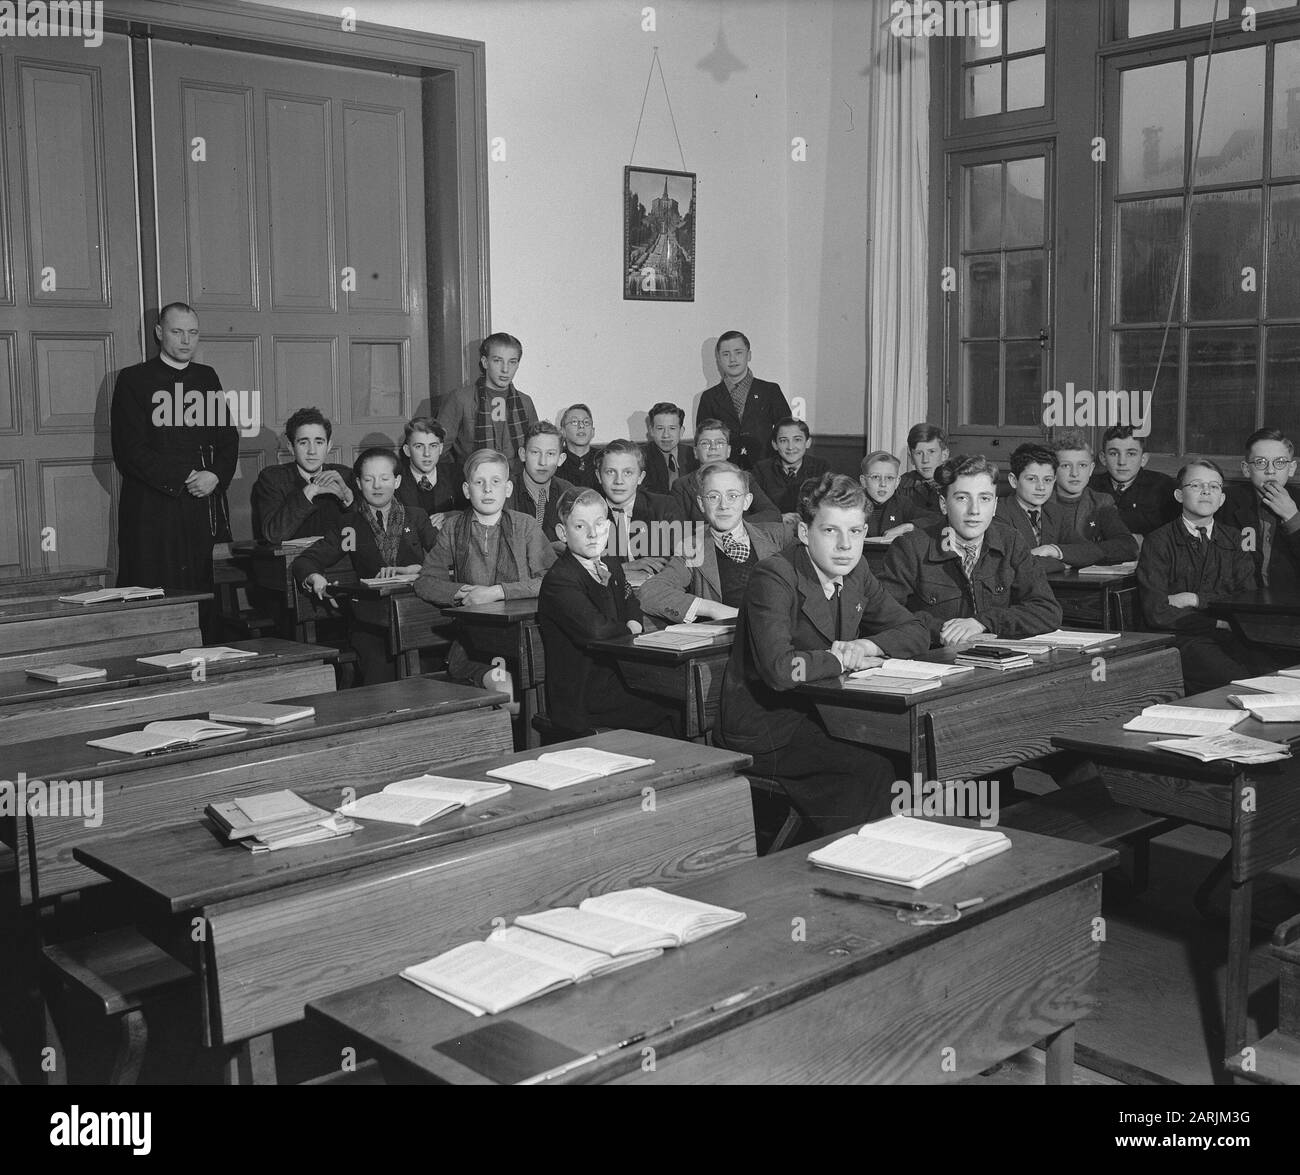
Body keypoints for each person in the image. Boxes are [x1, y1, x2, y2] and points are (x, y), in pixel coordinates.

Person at [715, 473, 929, 836]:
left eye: (857, 531)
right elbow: (782, 670)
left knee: (912, 754)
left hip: (828, 712)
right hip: (770, 726)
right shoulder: (774, 576)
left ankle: (900, 853)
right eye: (830, 531)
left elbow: (916, 630)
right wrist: (842, 658)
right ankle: (857, 860)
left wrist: (865, 646)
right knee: (872, 766)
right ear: (803, 532)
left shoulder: (856, 569)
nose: (846, 545)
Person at [110, 302, 237, 617]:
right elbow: (129, 451)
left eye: (192, 333)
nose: (186, 340)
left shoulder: (206, 377)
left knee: (203, 598)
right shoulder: (133, 379)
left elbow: (228, 438)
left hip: (200, 506)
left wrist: (215, 476)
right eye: (177, 332)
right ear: (158, 332)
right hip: (152, 510)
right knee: (153, 595)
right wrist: (186, 476)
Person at [537, 487, 682, 738]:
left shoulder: (611, 563)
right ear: (562, 533)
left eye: (600, 524)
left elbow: (630, 602)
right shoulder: (560, 580)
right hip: (583, 693)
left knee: (683, 694)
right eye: (580, 527)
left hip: (618, 677)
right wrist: (629, 628)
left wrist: (633, 622)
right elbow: (596, 629)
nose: (593, 534)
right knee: (675, 704)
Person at [878, 454, 1062, 646]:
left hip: (998, 662)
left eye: (984, 498)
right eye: (962, 498)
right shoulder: (911, 547)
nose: (974, 510)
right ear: (943, 504)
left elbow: (1048, 611)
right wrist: (944, 631)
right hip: (935, 661)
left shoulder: (1011, 541)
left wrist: (982, 622)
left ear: (995, 505)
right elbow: (884, 615)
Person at [414, 449, 556, 691]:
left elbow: (552, 582)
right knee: (505, 688)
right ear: (467, 490)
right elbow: (425, 581)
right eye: (479, 483)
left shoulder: (526, 526)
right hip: (475, 644)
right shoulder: (453, 528)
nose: (488, 490)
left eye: (495, 482)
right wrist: (463, 592)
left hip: (526, 637)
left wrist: (497, 592)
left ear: (508, 489)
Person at [294, 449, 437, 684]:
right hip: (372, 622)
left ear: (397, 481)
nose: (377, 486)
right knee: (383, 678)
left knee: (429, 677)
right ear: (359, 484)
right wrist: (314, 577)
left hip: (418, 616)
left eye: (384, 478)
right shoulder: (351, 525)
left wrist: (418, 569)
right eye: (369, 480)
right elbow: (306, 560)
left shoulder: (416, 518)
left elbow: (446, 558)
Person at [1137, 459, 1270, 694]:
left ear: (1222, 499)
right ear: (1179, 495)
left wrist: (1195, 599)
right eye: (1196, 485)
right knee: (1241, 683)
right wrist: (1218, 621)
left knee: (1272, 674)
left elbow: (1247, 598)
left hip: (1233, 635)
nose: (1206, 491)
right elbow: (1157, 612)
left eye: (1215, 487)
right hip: (1182, 637)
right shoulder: (1158, 541)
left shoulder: (1236, 540)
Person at [640, 461, 789, 624]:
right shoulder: (692, 547)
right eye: (713, 497)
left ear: (746, 501)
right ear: (701, 504)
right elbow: (651, 592)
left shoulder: (779, 537)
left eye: (732, 496)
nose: (723, 505)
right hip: (730, 639)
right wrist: (713, 609)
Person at [251, 406, 355, 544]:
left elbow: (366, 533)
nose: (312, 451)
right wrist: (308, 492)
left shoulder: (344, 475)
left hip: (340, 562)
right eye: (303, 443)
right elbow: (274, 535)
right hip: (293, 562)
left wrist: (350, 503)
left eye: (319, 442)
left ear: (329, 446)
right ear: (291, 447)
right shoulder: (272, 479)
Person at [1219, 428, 1300, 595]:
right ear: (1246, 469)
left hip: (1291, 603)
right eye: (1261, 462)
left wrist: (1293, 517)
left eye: (1280, 462)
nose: (1270, 470)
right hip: (1240, 600)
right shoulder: (1225, 502)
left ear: (1291, 468)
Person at [436, 332, 538, 463]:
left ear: (518, 365)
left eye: (512, 362)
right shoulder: (460, 399)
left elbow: (535, 447)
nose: (505, 369)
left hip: (515, 479)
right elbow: (438, 448)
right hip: (472, 477)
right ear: (485, 362)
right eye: (497, 361)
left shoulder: (525, 402)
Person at [696, 331, 792, 468]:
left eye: (738, 352)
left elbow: (786, 432)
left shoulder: (770, 391)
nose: (732, 359)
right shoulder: (709, 397)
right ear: (718, 359)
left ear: (749, 355)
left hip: (767, 469)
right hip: (723, 470)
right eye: (726, 354)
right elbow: (703, 439)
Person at [597, 438, 684, 577]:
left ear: (640, 477)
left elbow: (683, 561)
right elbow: (580, 567)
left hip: (656, 588)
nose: (619, 481)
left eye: (628, 473)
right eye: (610, 472)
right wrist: (625, 567)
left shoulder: (664, 507)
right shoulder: (588, 512)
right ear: (599, 476)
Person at [1049, 431, 1138, 566]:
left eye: (1082, 465)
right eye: (1066, 465)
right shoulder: (1041, 502)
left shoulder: (1100, 503)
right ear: (1052, 470)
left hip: (1086, 581)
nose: (1075, 473)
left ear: (1091, 469)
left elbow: (1128, 546)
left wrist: (1068, 553)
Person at [670, 421, 782, 524]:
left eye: (719, 443)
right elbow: (679, 529)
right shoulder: (681, 486)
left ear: (728, 451)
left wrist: (733, 527)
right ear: (695, 452)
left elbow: (772, 514)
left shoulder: (745, 478)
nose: (713, 448)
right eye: (705, 443)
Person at [1089, 424, 1178, 539]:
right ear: (1103, 458)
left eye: (1131, 454)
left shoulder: (1165, 487)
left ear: (1143, 459)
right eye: (1114, 454)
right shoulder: (1089, 487)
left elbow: (1175, 535)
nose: (1122, 462)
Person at [994, 443, 1069, 571]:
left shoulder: (1055, 512)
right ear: (1013, 480)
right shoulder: (999, 512)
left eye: (1047, 480)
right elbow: (1011, 564)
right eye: (1032, 479)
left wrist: (1050, 550)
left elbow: (1088, 551)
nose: (1041, 487)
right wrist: (1063, 564)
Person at [505, 421, 574, 538]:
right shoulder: (505, 492)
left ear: (561, 459)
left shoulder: (568, 493)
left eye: (550, 454)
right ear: (523, 454)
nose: (542, 462)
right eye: (535, 452)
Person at [751, 418, 830, 514]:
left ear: (808, 442)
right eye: (784, 441)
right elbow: (756, 507)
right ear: (775, 444)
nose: (790, 447)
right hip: (774, 526)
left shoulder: (821, 467)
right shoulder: (761, 470)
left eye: (797, 440)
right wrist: (779, 518)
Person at [395, 416, 460, 527]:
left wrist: (453, 515)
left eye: (433, 446)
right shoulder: (395, 481)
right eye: (419, 446)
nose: (427, 453)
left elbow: (476, 512)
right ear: (407, 450)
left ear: (440, 448)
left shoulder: (457, 475)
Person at [859, 450, 937, 538]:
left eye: (889, 478)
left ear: (897, 482)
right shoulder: (854, 504)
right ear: (864, 481)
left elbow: (935, 519)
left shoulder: (902, 504)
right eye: (876, 477)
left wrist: (907, 527)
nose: (883, 484)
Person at [641, 401, 697, 494]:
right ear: (651, 431)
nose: (666, 435)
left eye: (672, 428)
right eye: (660, 428)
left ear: (681, 431)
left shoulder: (693, 455)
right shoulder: (641, 457)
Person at [895, 424, 949, 516]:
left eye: (931, 452)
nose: (925, 460)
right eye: (919, 453)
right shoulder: (900, 485)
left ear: (944, 455)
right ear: (911, 457)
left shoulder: (954, 483)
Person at [557, 403, 601, 489]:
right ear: (563, 431)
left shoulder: (603, 458)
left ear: (593, 431)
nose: (581, 426)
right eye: (574, 422)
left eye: (586, 422)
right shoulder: (556, 461)